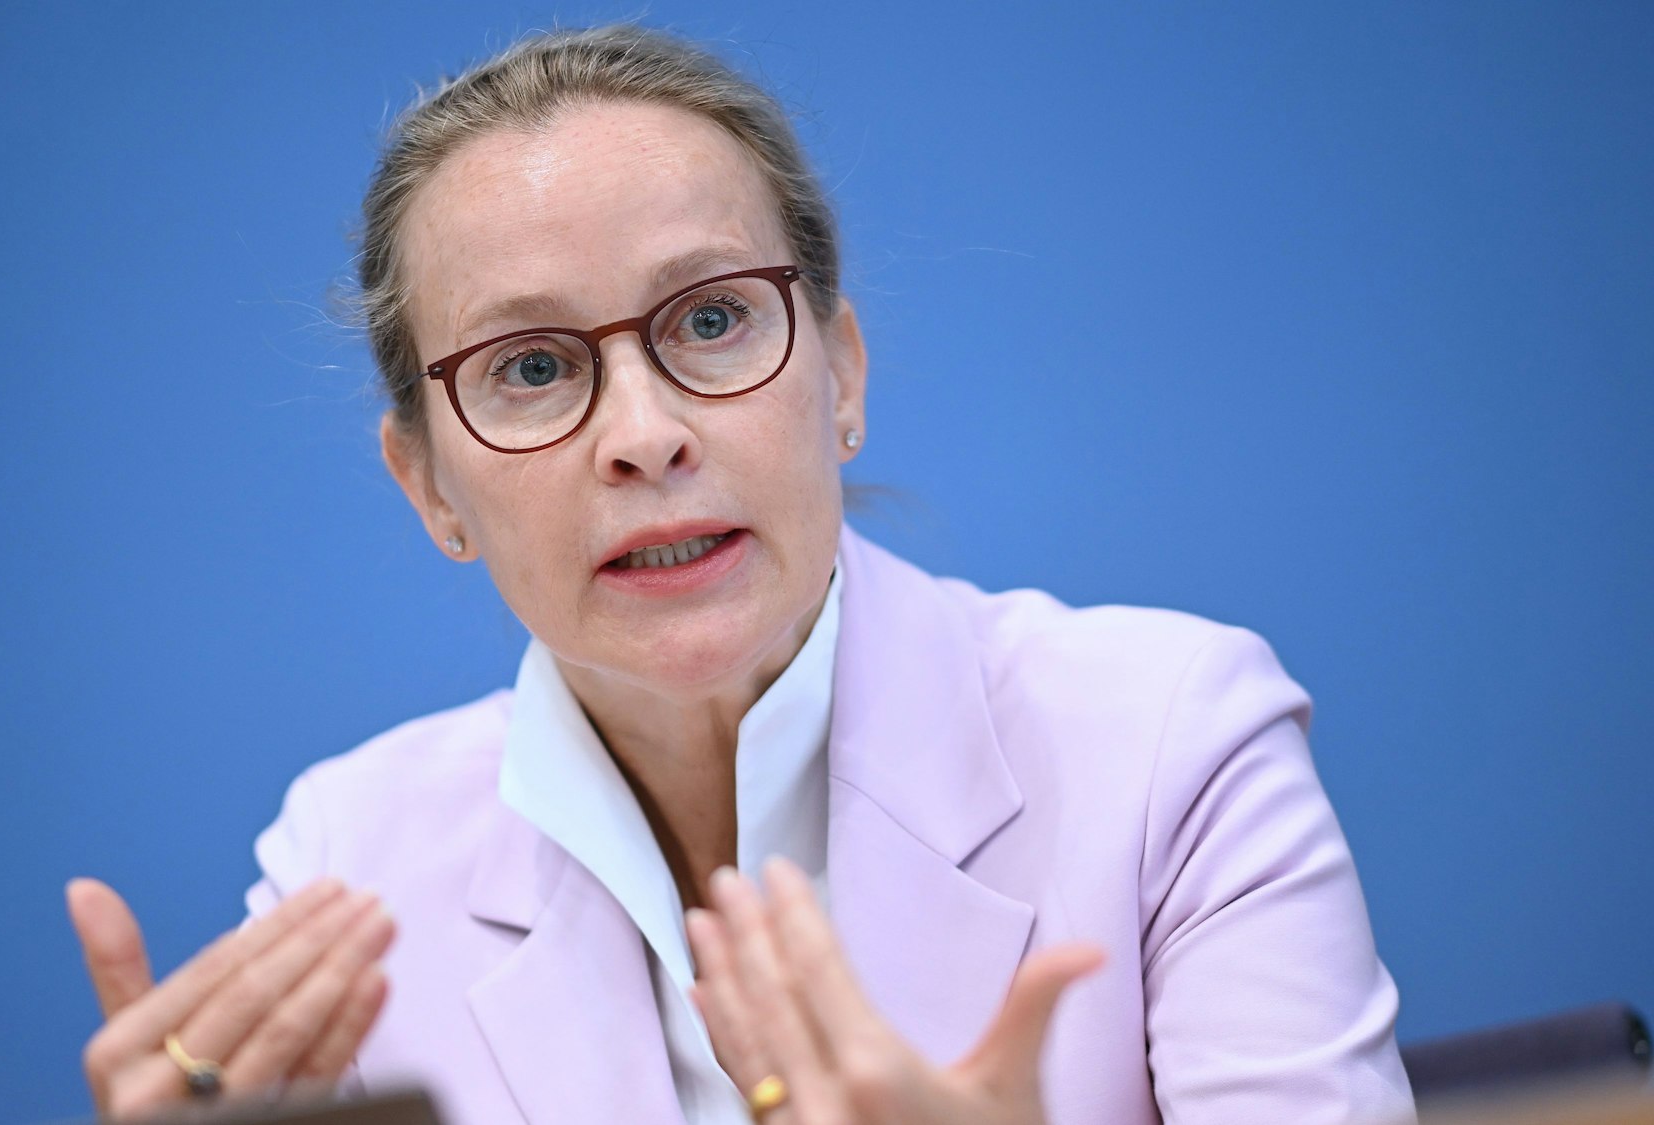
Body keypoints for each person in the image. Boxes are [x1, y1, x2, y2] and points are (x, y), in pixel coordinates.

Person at [68, 24, 1416, 1125]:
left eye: (712, 319)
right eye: (531, 366)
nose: (645, 436)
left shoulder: (1173, 740)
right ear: (429, 487)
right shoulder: (346, 863)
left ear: (843, 374)